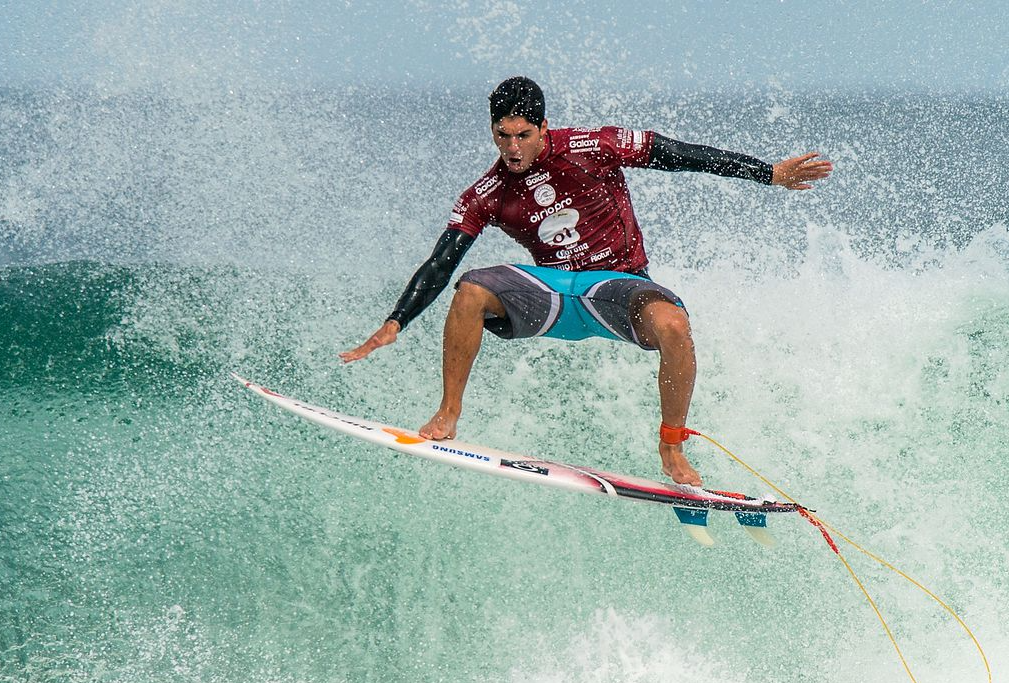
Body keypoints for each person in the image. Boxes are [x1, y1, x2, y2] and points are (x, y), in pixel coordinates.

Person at [341, 77, 831, 487]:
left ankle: (671, 445)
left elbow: (679, 155)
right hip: (552, 293)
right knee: (471, 288)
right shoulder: (486, 195)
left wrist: (767, 172)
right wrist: (395, 322)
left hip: (614, 288)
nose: (513, 149)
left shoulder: (591, 147)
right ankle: (448, 413)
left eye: (523, 135)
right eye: (502, 136)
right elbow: (439, 262)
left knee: (675, 327)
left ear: (543, 128)